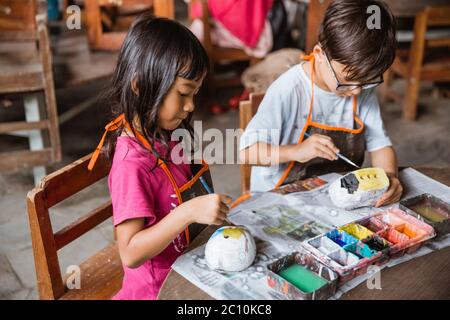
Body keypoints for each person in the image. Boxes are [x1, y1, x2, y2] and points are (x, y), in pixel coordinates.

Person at [88, 15, 231, 300]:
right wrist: (188, 212)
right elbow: (130, 252)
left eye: (195, 94)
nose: (191, 106)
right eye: (183, 94)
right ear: (140, 86)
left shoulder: (167, 133)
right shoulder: (131, 164)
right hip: (159, 292)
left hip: (189, 268)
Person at [239, 0, 403, 207]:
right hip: (278, 199)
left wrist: (389, 177)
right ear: (319, 55)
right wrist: (296, 151)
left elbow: (380, 146)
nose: (357, 90)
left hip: (335, 197)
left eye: (367, 81)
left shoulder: (361, 87)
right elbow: (247, 152)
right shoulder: (288, 90)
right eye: (346, 80)